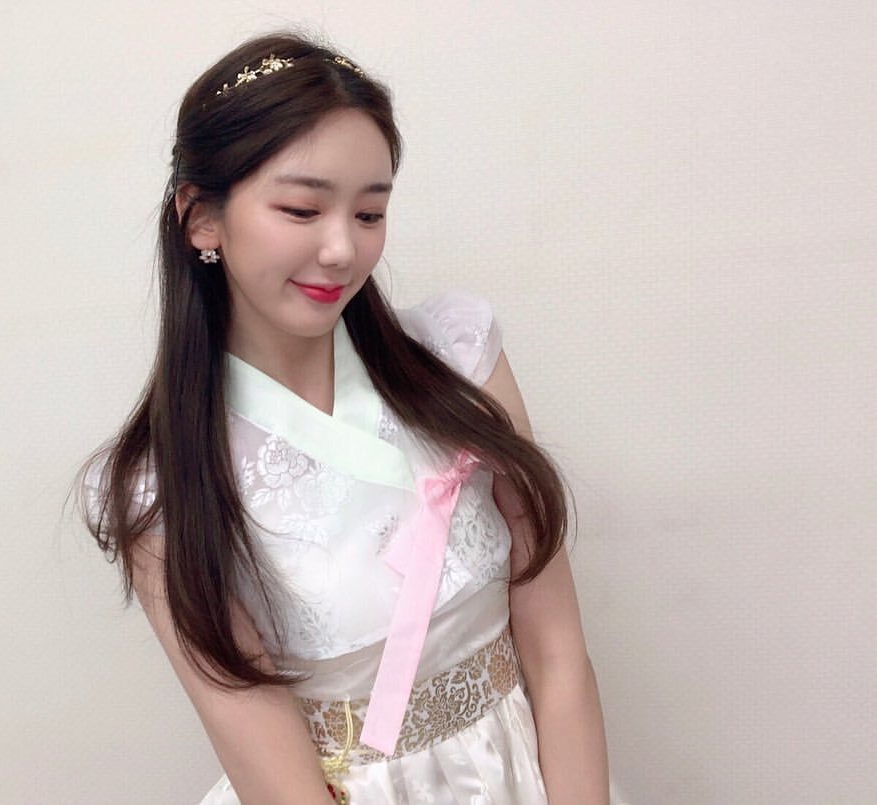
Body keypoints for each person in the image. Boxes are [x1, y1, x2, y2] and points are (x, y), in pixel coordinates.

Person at [81, 30, 611, 804]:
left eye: (369, 213)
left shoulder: (459, 359)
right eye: (302, 208)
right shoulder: (161, 484)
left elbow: (560, 658)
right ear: (201, 218)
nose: (341, 249)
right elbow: (272, 769)